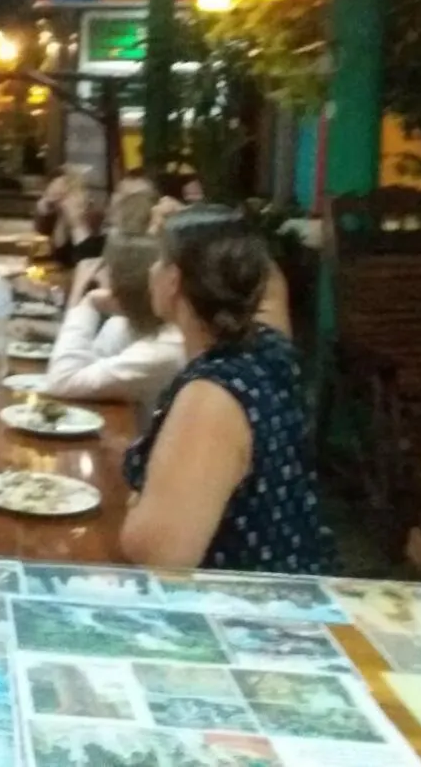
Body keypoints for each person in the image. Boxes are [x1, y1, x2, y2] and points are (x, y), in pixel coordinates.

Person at [120, 205, 329, 573]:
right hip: (296, 580)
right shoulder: (270, 345)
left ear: (173, 280)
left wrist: (138, 500)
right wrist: (207, 228)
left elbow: (159, 554)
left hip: (244, 600)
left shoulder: (212, 397)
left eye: (158, 260)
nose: (150, 270)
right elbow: (267, 277)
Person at [46, 233, 185, 407]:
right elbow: (86, 369)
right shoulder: (122, 326)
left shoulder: (167, 349)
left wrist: (88, 302)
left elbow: (63, 380)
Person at [34, 165, 107, 268]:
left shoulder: (93, 216)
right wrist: (46, 206)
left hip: (84, 266)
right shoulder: (54, 213)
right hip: (62, 268)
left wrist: (76, 223)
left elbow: (88, 259)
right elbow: (43, 245)